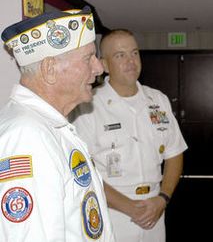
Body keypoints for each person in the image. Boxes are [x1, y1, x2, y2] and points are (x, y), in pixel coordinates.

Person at [0, 7, 115, 241]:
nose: (99, 68)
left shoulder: (49, 127)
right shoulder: (27, 137)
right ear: (50, 69)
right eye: (88, 58)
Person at [71, 29, 187, 242]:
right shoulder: (89, 106)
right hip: (113, 212)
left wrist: (163, 198)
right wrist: (131, 208)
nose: (130, 61)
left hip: (155, 209)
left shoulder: (158, 100)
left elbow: (174, 153)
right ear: (104, 65)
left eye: (134, 53)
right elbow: (83, 172)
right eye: (120, 55)